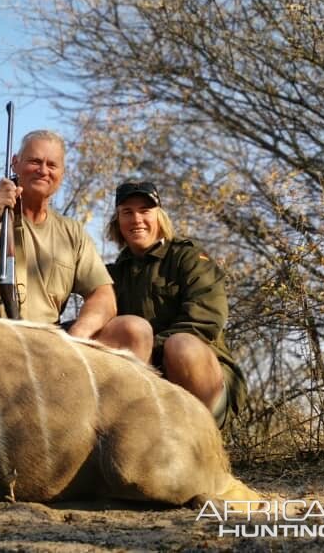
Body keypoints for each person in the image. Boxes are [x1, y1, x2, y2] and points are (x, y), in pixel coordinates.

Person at [71, 180, 246, 427]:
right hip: (143, 379)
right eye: (127, 212)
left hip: (199, 377)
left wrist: (150, 353)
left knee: (182, 346)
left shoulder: (189, 257)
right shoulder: (111, 275)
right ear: (117, 222)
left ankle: (198, 440)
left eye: (145, 211)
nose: (136, 219)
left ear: (159, 216)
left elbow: (206, 319)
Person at [0, 130, 116, 329]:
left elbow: (104, 297)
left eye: (52, 165)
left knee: (129, 329)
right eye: (35, 162)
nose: (43, 171)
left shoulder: (72, 232)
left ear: (62, 173)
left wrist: (77, 338)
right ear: (15, 163)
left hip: (47, 348)